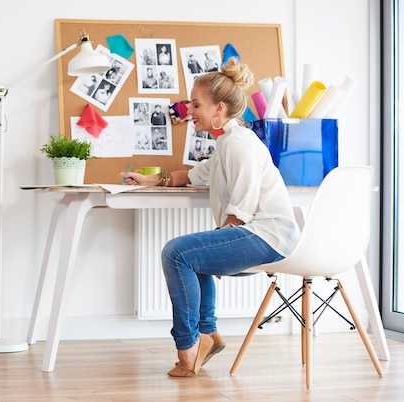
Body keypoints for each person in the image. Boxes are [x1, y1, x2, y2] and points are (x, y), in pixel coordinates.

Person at [120, 57, 300, 378]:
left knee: (177, 253)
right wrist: (149, 179)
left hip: (268, 236)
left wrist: (218, 252)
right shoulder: (225, 145)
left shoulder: (240, 145)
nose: (189, 111)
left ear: (219, 109)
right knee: (191, 253)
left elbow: (240, 213)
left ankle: (189, 348)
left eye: (196, 104)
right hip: (262, 235)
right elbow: (190, 176)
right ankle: (208, 334)